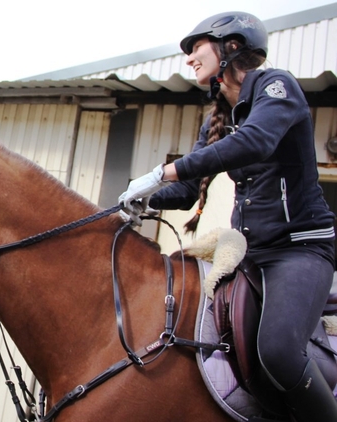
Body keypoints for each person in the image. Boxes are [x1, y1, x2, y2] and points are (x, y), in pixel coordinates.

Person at [119, 11, 337, 422]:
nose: (188, 59)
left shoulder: (277, 86)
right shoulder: (219, 116)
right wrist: (139, 201)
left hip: (300, 251)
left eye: (195, 47)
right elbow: (186, 191)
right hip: (251, 254)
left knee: (277, 350)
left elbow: (256, 142)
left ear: (230, 46)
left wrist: (163, 171)